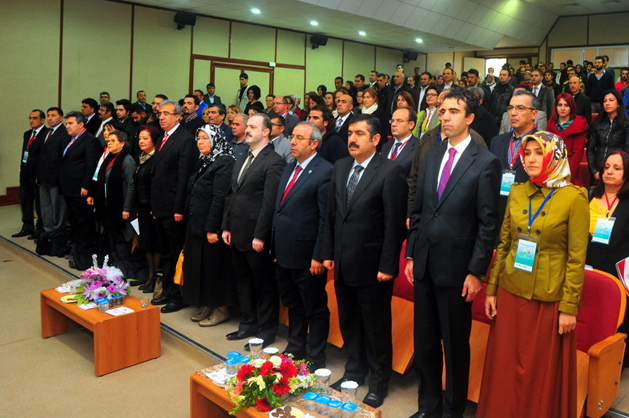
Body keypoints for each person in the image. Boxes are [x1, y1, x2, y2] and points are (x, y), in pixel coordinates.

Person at [477, 132, 589, 418]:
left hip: (547, 298)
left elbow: (576, 258)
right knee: (505, 365)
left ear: (554, 156)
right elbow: (504, 244)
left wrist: (569, 307)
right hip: (510, 290)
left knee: (539, 373)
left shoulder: (574, 197)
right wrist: (491, 289)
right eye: (527, 153)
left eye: (539, 152)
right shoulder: (517, 191)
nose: (530, 159)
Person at [405, 88, 501, 418]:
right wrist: (412, 254)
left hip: (458, 270)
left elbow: (488, 224)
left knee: (455, 346)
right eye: (443, 111)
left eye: (454, 112)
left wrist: (476, 272)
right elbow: (419, 210)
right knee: (425, 343)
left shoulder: (485, 162)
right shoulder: (432, 155)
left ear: (470, 118)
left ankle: (452, 411)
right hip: (425, 264)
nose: (445, 117)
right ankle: (427, 407)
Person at [322, 114, 407, 408]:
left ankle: (379, 382)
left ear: (375, 139)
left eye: (359, 133)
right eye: (349, 133)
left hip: (373, 267)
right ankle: (354, 372)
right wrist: (328, 253)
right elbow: (332, 215)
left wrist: (387, 266)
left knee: (375, 327)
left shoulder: (390, 172)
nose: (352, 139)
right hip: (343, 262)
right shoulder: (341, 166)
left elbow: (394, 225)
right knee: (349, 322)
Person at [222, 113, 286, 349]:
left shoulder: (274, 161)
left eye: (252, 127)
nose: (246, 130)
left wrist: (261, 235)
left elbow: (269, 203)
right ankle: (248, 324)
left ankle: (267, 330)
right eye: (246, 126)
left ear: (266, 132)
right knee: (243, 282)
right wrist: (226, 225)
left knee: (264, 285)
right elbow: (232, 194)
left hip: (256, 235)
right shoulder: (243, 156)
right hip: (236, 230)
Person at [273, 122, 333, 371]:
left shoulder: (325, 171)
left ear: (314, 144)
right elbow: (280, 209)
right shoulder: (290, 166)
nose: (293, 142)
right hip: (284, 251)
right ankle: (295, 346)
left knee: (314, 307)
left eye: (299, 138)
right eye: (292, 136)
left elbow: (324, 219)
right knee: (293, 303)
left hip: (308, 255)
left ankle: (316, 356)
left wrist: (319, 255)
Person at [149, 100, 199, 313]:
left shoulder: (185, 139)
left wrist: (179, 208)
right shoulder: (163, 137)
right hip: (160, 205)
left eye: (167, 113)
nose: (161, 117)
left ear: (178, 116)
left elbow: (183, 178)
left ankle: (178, 296)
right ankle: (168, 290)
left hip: (174, 208)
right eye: (160, 114)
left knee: (176, 252)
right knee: (166, 252)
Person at [183, 125, 236, 326]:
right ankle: (207, 303)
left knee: (215, 268)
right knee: (201, 268)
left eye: (205, 138)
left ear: (216, 140)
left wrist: (212, 228)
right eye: (199, 138)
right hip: (197, 223)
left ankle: (221, 309)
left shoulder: (225, 162)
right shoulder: (205, 160)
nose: (200, 142)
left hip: (212, 227)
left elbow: (219, 198)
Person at [586, 151, 629, 366]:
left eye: (617, 168)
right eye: (607, 167)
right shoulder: (588, 195)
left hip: (616, 272)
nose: (609, 171)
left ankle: (614, 363)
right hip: (587, 266)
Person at [59, 111, 102, 270]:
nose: (67, 126)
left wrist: (86, 186)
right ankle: (76, 251)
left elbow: (91, 166)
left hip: (80, 189)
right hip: (69, 188)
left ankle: (85, 256)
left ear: (81, 124)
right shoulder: (70, 140)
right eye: (66, 124)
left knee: (84, 222)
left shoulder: (90, 141)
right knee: (74, 220)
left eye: (71, 123)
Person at [89, 130, 136, 269]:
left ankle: (122, 268)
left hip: (120, 206)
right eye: (108, 141)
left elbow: (131, 185)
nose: (109, 143)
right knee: (111, 237)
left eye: (113, 141)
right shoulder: (109, 158)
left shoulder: (127, 160)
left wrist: (126, 208)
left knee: (121, 238)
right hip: (107, 205)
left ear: (122, 143)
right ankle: (112, 266)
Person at [135, 126, 163, 294]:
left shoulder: (156, 158)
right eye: (140, 138)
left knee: (155, 243)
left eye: (145, 138)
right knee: (146, 242)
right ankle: (149, 275)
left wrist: (154, 206)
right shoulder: (141, 157)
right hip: (142, 206)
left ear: (154, 140)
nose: (141, 141)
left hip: (153, 207)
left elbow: (157, 185)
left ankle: (154, 278)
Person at [14, 110, 47, 238]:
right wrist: (21, 172)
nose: (31, 121)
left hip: (37, 174)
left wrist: (40, 175)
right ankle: (27, 226)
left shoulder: (46, 134)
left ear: (42, 120)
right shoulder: (27, 134)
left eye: (35, 118)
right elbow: (24, 154)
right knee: (25, 201)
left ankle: (40, 228)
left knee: (39, 202)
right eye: (30, 118)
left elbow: (44, 157)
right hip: (26, 174)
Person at [38, 107, 70, 234]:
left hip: (56, 176)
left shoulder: (64, 132)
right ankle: (47, 230)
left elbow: (63, 157)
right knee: (45, 205)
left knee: (58, 206)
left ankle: (57, 231)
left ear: (61, 118)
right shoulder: (46, 132)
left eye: (53, 115)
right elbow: (41, 155)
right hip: (43, 176)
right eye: (48, 115)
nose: (50, 118)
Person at [546, 93, 588, 186]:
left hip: (571, 169)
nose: (562, 108)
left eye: (566, 105)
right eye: (560, 105)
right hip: (552, 169)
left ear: (571, 107)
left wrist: (567, 176)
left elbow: (577, 154)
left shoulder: (578, 124)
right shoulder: (551, 123)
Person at [587, 90, 629, 180]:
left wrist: (620, 170)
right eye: (605, 101)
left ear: (618, 104)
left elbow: (627, 150)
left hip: (618, 170)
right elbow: (590, 149)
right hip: (598, 169)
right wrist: (594, 171)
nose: (607, 103)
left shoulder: (626, 124)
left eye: (611, 100)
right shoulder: (597, 123)